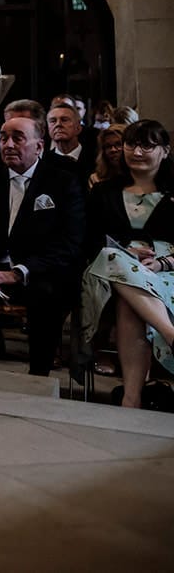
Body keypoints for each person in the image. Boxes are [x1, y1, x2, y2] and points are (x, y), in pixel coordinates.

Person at [78, 120, 174, 407]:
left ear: (165, 151)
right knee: (112, 257)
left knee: (128, 304)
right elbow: (89, 241)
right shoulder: (103, 192)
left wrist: (162, 263)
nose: (137, 151)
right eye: (132, 144)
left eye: (148, 145)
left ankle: (131, 399)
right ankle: (171, 334)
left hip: (166, 273)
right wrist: (127, 255)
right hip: (107, 274)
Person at [0, 114, 86, 375]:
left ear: (39, 146)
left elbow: (69, 243)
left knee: (48, 293)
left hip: (39, 272)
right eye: (4, 138)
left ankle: (39, 373)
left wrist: (19, 272)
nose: (7, 145)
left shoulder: (62, 181)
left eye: (18, 138)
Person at [47, 97, 96, 174]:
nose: (58, 124)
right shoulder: (43, 162)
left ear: (78, 128)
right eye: (53, 121)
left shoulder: (95, 158)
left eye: (64, 120)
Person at [91, 123, 128, 188]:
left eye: (118, 144)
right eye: (108, 146)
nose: (113, 150)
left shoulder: (141, 178)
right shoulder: (96, 179)